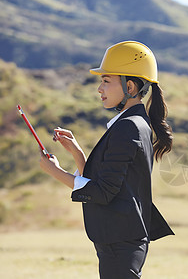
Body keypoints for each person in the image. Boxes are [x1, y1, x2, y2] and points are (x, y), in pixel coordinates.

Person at [39, 40, 174, 279]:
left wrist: (55, 171)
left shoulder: (128, 127)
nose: (99, 88)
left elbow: (103, 192)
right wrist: (78, 154)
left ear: (130, 86)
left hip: (120, 242)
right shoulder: (134, 124)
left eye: (106, 81)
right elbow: (113, 185)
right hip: (120, 241)